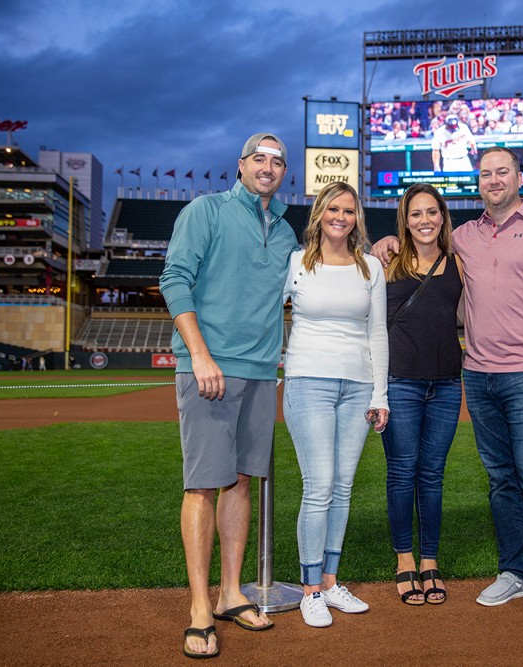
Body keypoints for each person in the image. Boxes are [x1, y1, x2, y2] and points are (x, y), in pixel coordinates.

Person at [373, 146, 523, 631]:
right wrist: (387, 239)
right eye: (485, 173)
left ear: (519, 177)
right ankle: (515, 571)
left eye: (502, 171)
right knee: (501, 479)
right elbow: (418, 242)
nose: (493, 180)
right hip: (477, 372)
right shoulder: (463, 238)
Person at [159, 132, 296, 659]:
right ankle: (199, 607)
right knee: (202, 485)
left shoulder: (285, 230)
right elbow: (175, 279)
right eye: (259, 158)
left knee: (240, 482)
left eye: (277, 161)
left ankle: (230, 592)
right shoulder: (206, 210)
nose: (267, 167)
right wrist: (199, 354)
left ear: (283, 172)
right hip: (209, 370)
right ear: (240, 165)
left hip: (261, 373)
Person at [281, 181, 389, 628]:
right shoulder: (295, 263)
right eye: (332, 209)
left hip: (358, 386)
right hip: (308, 382)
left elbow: (377, 332)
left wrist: (380, 393)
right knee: (319, 486)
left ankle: (329, 582)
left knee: (342, 488)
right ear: (319, 214)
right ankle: (309, 590)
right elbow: (266, 313)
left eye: (348, 210)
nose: (340, 217)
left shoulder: (370, 267)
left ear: (356, 217)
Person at [380, 184, 463, 606]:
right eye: (416, 213)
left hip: (447, 384)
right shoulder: (386, 262)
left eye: (432, 212)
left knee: (432, 475)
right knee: (401, 473)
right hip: (400, 382)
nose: (424, 220)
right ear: (405, 220)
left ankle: (430, 560)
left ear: (442, 216)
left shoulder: (459, 262)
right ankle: (404, 559)